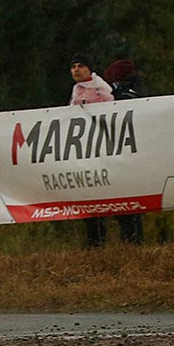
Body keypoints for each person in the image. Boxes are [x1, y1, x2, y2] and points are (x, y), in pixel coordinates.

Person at [69, 53, 114, 247]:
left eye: (80, 66)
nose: (76, 70)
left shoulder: (101, 88)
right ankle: (94, 242)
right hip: (84, 151)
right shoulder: (76, 90)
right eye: (73, 67)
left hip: (103, 149)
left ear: (89, 68)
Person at [103, 59, 148, 244]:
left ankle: (132, 243)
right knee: (128, 205)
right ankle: (132, 243)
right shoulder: (136, 90)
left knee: (128, 205)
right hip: (129, 153)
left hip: (127, 153)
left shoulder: (128, 93)